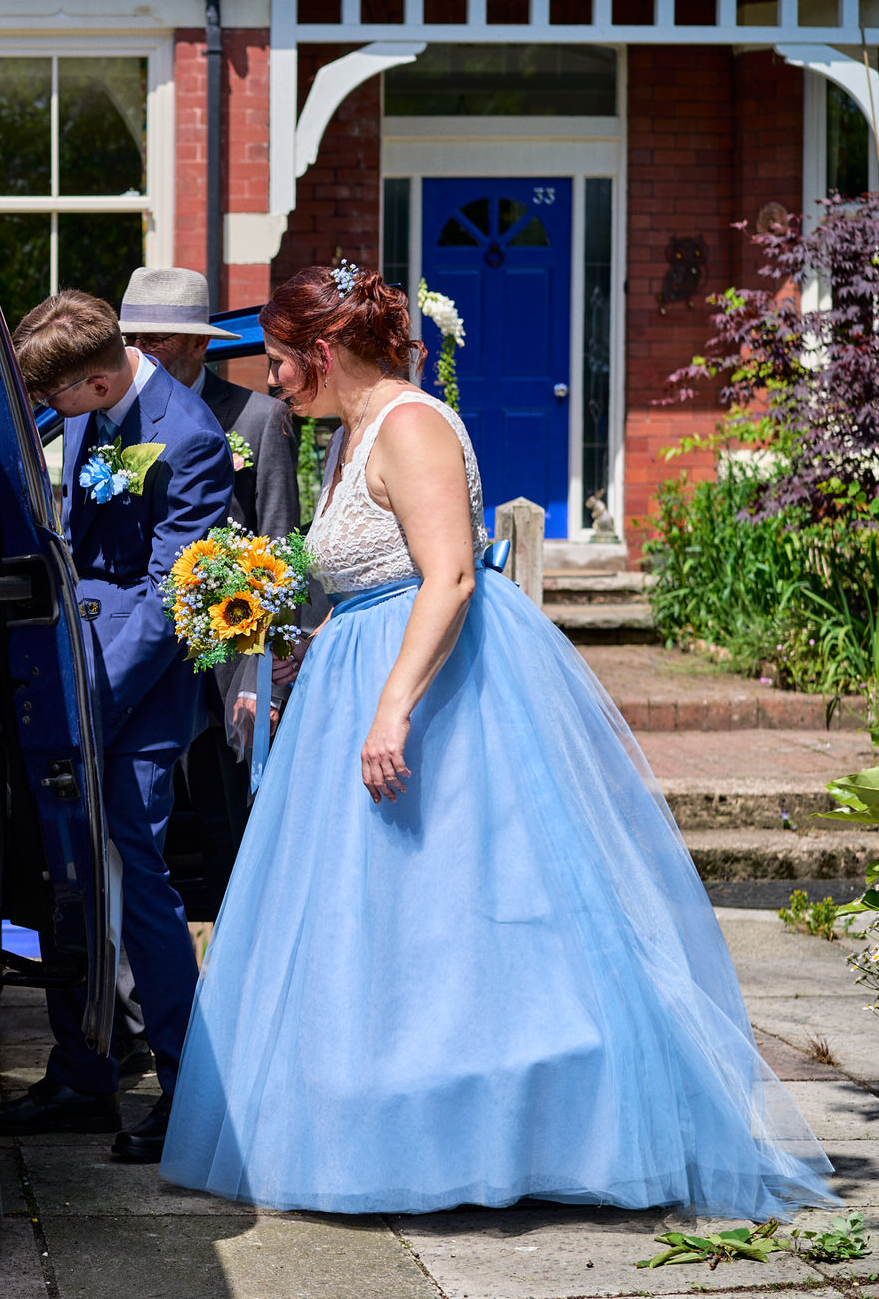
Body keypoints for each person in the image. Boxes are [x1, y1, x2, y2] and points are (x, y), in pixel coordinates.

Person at [160, 262, 836, 1218]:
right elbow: (369, 576)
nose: (271, 384)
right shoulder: (348, 434)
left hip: (436, 694)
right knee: (385, 925)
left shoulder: (414, 425)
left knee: (472, 910)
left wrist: (391, 706)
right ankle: (395, 1119)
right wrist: (298, 645)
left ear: (320, 352)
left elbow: (448, 578)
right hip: (358, 673)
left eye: (278, 364)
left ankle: (526, 1128)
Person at [0, 290, 233, 1163]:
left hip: (134, 701)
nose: (49, 416)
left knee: (138, 887)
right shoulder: (91, 408)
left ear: (99, 380)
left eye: (56, 400)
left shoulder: (191, 438)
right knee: (67, 881)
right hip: (66, 676)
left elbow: (173, 599)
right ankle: (84, 1072)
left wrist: (89, 707)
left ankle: (186, 1088)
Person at [120, 266, 299, 918]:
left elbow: (278, 545)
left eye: (159, 338)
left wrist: (267, 675)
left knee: (231, 814)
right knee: (147, 818)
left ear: (199, 344)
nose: (144, 350)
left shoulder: (257, 417)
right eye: (134, 336)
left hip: (230, 656)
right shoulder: (121, 420)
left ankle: (236, 956)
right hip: (144, 651)